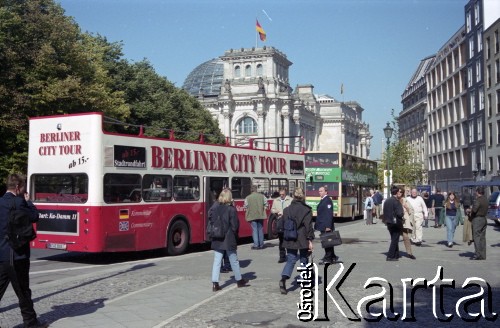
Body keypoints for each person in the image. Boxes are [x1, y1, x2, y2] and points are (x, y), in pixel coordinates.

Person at [0, 174, 48, 328]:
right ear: (18, 187)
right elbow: (35, 216)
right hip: (18, 255)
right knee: (23, 292)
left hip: (1, 255)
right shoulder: (21, 202)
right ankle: (31, 323)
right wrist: (29, 202)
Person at [211, 188, 249, 291]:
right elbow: (235, 225)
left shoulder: (215, 207)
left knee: (217, 261)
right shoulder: (231, 209)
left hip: (217, 237)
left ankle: (215, 283)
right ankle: (239, 280)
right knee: (233, 259)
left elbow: (211, 220)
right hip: (228, 238)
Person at [278, 188, 314, 295]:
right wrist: (310, 240)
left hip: (290, 237)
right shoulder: (306, 210)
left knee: (291, 259)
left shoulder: (287, 209)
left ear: (293, 196)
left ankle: (283, 279)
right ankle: (305, 284)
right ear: (303, 196)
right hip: (302, 238)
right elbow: (308, 227)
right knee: (304, 259)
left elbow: (283, 224)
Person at [315, 186, 338, 265]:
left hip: (326, 226)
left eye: (321, 191)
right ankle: (332, 257)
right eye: (319, 191)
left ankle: (328, 258)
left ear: (326, 192)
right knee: (328, 242)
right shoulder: (323, 200)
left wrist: (328, 226)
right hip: (323, 224)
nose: (319, 192)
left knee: (327, 242)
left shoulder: (327, 200)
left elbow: (328, 214)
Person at [270, 187, 292, 263]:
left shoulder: (290, 200)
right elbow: (272, 210)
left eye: (283, 194)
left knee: (289, 240)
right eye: (280, 194)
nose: (281, 196)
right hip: (279, 221)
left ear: (285, 193)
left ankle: (290, 255)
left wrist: (286, 213)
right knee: (281, 240)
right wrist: (277, 211)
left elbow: (293, 210)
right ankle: (282, 256)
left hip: (288, 222)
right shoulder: (276, 200)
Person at [383, 186, 404, 261]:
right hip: (395, 223)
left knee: (394, 238)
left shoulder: (387, 201)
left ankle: (396, 254)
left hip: (388, 222)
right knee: (395, 239)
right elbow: (400, 213)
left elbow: (384, 211)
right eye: (399, 191)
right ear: (397, 192)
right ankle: (390, 255)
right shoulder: (396, 201)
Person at [466, 187, 488, 260]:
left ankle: (478, 254)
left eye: (476, 192)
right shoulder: (486, 199)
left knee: (477, 237)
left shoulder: (478, 200)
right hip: (484, 219)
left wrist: (469, 210)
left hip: (477, 219)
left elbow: (474, 210)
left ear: (478, 192)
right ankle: (483, 254)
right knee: (482, 238)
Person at [244, 185, 267, 249]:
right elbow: (266, 204)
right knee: (260, 229)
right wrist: (263, 209)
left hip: (252, 215)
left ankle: (256, 245)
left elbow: (245, 206)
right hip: (261, 215)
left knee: (254, 229)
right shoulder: (262, 196)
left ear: (251, 190)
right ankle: (261, 244)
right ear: (256, 189)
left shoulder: (248, 197)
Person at [399, 189, 416, 259]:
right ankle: (394, 253)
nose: (399, 193)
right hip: (395, 222)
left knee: (406, 237)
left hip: (404, 222)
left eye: (401, 192)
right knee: (394, 238)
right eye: (398, 192)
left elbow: (411, 210)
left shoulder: (405, 200)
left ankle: (409, 253)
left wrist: (407, 208)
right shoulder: (393, 200)